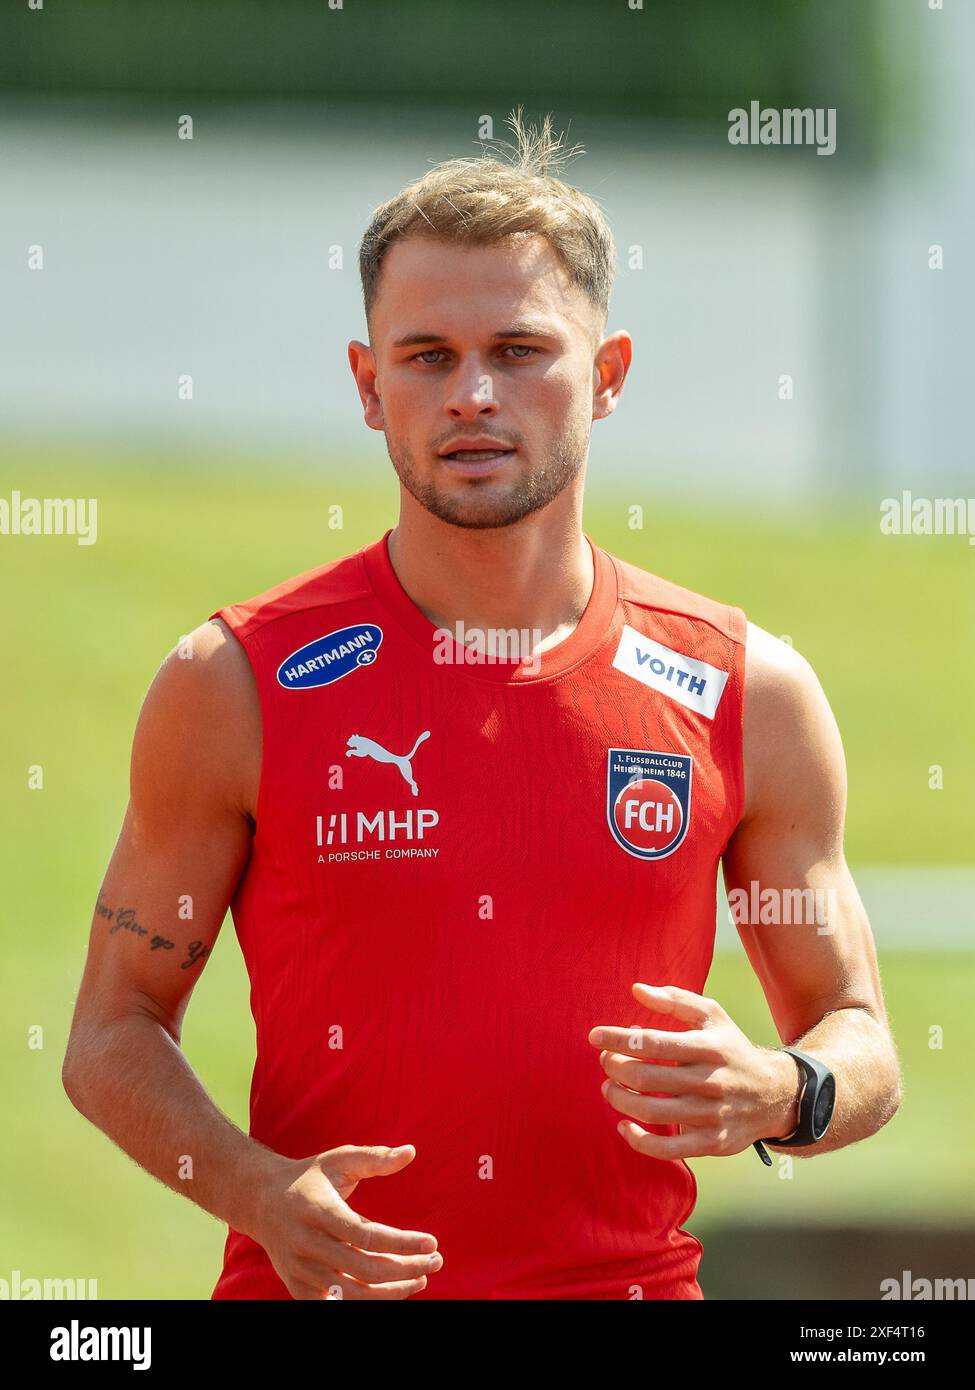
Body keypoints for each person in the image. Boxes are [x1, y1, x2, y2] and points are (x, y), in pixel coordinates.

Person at [62, 112, 901, 1301]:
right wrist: (254, 1188)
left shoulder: (744, 688)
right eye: (426, 357)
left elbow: (857, 1031)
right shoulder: (234, 682)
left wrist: (783, 1090)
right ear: (367, 385)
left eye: (519, 350)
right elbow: (109, 1035)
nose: (471, 395)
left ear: (606, 377)